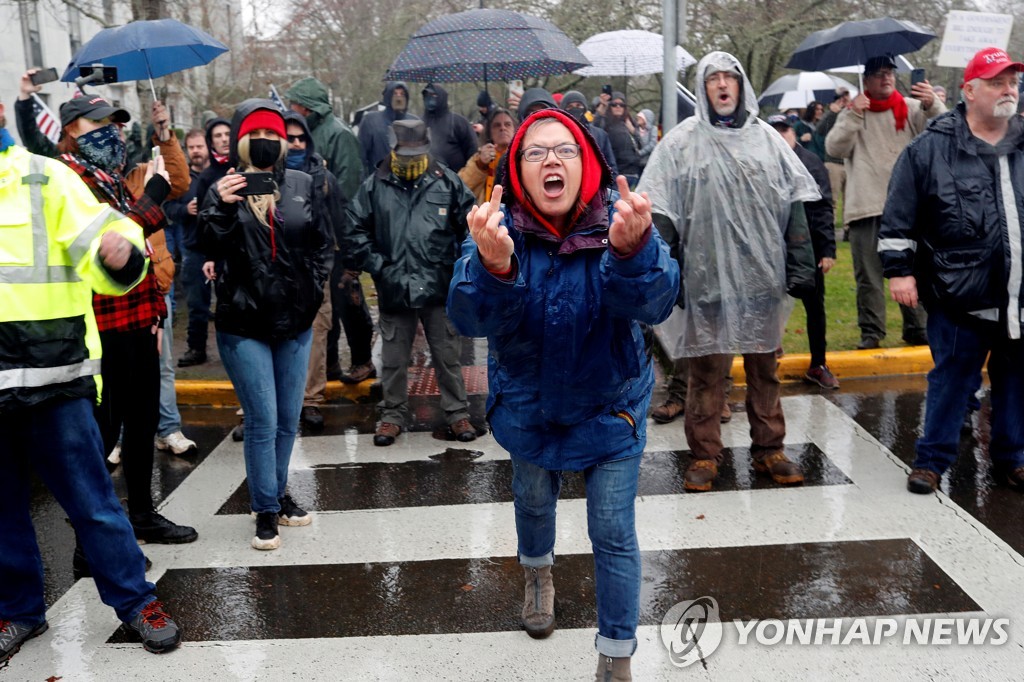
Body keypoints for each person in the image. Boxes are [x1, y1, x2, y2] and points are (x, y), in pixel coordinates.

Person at [447, 108, 679, 680]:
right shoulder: (495, 228)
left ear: (589, 164)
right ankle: (538, 573)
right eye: (535, 152)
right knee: (531, 502)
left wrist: (633, 255)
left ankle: (615, 657)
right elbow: (467, 318)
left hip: (610, 409)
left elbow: (656, 304)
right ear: (519, 173)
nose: (551, 160)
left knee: (613, 531)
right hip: (529, 408)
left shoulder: (621, 223)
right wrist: (493, 268)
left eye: (565, 150)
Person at [0, 99, 181, 660]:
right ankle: (19, 611)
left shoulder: (44, 177)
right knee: (2, 511)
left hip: (55, 376)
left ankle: (135, 601)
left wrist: (121, 254)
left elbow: (109, 254)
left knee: (93, 503)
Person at [639, 51, 820, 493]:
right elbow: (662, 212)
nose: (722, 85)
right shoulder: (682, 143)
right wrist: (670, 272)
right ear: (702, 89)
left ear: (741, 87)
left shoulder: (767, 141)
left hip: (761, 278)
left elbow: (793, 204)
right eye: (713, 79)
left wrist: (799, 263)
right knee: (705, 374)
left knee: (765, 369)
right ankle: (704, 454)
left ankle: (769, 449)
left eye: (729, 78)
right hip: (707, 280)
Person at [53, 94, 198, 554]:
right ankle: (88, 541)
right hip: (98, 326)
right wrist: (152, 197)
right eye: (99, 125)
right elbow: (112, 243)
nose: (112, 133)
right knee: (101, 431)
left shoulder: (113, 177)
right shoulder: (68, 180)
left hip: (138, 319)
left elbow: (142, 252)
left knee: (142, 420)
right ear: (72, 131)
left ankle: (140, 513)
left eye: (116, 125)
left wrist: (156, 315)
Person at [879, 47, 1024, 494]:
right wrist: (900, 271)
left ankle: (1011, 458)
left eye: (1013, 83)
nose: (1008, 91)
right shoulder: (930, 148)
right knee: (952, 378)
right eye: (997, 82)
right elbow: (899, 215)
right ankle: (931, 460)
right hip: (959, 293)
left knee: (1016, 381)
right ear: (969, 91)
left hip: (1019, 295)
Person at [199, 100, 332, 549]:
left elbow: (322, 244)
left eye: (274, 135)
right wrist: (218, 203)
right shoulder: (224, 188)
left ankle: (275, 493)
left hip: (295, 320)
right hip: (243, 324)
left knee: (287, 419)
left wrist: (312, 293)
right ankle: (265, 508)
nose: (267, 142)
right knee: (263, 419)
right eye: (257, 135)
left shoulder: (301, 183)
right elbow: (205, 244)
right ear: (240, 141)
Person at [345, 120, 477, 446]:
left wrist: (462, 269)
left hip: (438, 285)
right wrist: (380, 266)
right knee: (393, 359)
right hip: (394, 287)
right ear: (393, 149)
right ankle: (392, 415)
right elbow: (354, 230)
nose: (410, 159)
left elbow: (471, 227)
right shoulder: (374, 185)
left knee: (447, 355)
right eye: (404, 153)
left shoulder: (447, 182)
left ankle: (457, 413)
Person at [825, 54, 945, 349]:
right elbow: (834, 147)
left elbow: (945, 129)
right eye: (879, 73)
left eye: (890, 72)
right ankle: (871, 332)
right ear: (865, 80)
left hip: (907, 208)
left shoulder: (912, 107)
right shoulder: (855, 112)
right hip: (866, 205)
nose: (886, 77)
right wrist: (853, 115)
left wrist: (933, 103)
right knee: (869, 277)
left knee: (913, 271)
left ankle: (917, 327)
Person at [285, 77, 373, 388]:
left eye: (293, 103)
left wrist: (346, 241)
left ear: (305, 107)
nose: (289, 107)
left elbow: (347, 189)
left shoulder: (339, 135)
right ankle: (331, 363)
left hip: (337, 232)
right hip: (316, 235)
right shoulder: (305, 132)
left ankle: (363, 359)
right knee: (325, 308)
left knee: (349, 299)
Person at [283, 111, 347, 430]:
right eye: (289, 137)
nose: (295, 144)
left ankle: (310, 400)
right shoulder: (265, 175)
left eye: (300, 138)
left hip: (314, 270)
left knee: (317, 334)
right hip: (276, 271)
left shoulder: (323, 177)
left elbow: (337, 223)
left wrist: (330, 268)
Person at [767, 114, 839, 389]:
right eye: (775, 130)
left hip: (806, 248)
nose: (781, 134)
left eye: (785, 129)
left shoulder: (811, 162)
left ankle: (818, 364)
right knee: (768, 303)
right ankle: (771, 348)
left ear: (794, 132)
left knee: (814, 305)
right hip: (772, 247)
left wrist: (827, 250)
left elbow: (823, 208)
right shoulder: (762, 162)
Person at [180, 116, 232, 368]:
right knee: (198, 305)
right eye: (218, 136)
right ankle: (196, 347)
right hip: (200, 249)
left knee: (229, 306)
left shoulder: (242, 168)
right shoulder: (205, 177)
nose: (223, 140)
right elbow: (201, 217)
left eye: (227, 134)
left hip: (232, 251)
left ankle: (233, 350)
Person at [166, 129, 213, 370]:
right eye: (191, 147)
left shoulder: (218, 173)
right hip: (194, 248)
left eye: (200, 146)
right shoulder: (181, 180)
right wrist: (186, 211)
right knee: (197, 305)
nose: (196, 151)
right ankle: (197, 348)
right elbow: (168, 209)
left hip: (221, 248)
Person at [459, 107, 517, 203]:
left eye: (507, 124)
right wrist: (480, 165)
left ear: (515, 130)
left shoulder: (522, 157)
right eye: (497, 125)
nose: (503, 128)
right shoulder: (480, 158)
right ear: (490, 132)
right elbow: (461, 188)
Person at [357, 81, 416, 175]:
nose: (399, 97)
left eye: (402, 94)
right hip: (379, 182)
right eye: (395, 94)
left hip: (407, 182)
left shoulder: (414, 122)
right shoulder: (371, 121)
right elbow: (360, 156)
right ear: (388, 97)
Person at [560, 90, 618, 177]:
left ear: (584, 108)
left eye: (578, 105)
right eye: (570, 106)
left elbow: (610, 167)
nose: (575, 109)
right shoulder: (558, 134)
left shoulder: (599, 135)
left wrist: (610, 189)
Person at [421, 83, 477, 172]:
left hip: (456, 179)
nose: (430, 99)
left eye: (434, 95)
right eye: (427, 95)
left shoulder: (459, 122)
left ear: (441, 97)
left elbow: (472, 151)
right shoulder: (419, 123)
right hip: (426, 180)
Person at [815, 88, 851, 219]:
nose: (844, 98)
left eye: (846, 94)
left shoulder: (853, 112)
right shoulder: (831, 113)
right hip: (833, 162)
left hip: (850, 162)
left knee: (850, 200)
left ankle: (848, 230)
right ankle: (831, 229)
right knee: (832, 199)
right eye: (841, 96)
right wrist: (832, 113)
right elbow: (820, 130)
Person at [594, 91, 642, 187]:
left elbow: (641, 144)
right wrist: (600, 112)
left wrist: (633, 131)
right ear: (609, 106)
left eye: (621, 105)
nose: (618, 107)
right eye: (614, 104)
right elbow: (595, 133)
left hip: (634, 174)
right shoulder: (605, 123)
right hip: (616, 174)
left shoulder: (629, 122)